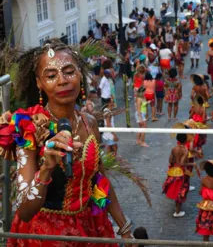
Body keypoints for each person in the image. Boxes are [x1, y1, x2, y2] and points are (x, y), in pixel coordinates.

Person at [0, 39, 133, 245]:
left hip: (89, 229)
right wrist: (46, 169)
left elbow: (100, 181)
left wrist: (125, 229)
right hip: (45, 236)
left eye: (69, 72)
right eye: (51, 76)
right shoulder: (31, 129)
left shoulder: (89, 124)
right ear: (39, 83)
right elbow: (25, 211)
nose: (62, 80)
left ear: (80, 74)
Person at [163, 133, 198, 217]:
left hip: (173, 169)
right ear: (185, 140)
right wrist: (192, 164)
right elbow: (182, 163)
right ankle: (177, 211)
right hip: (181, 171)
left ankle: (177, 208)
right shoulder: (185, 150)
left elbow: (170, 160)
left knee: (175, 188)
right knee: (180, 190)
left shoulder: (174, 148)